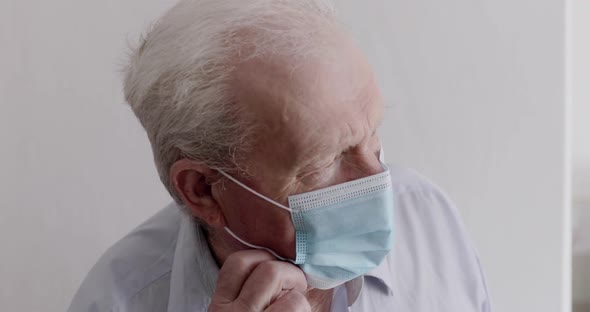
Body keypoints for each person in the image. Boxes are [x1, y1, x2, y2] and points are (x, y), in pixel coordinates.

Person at [68, 0, 492, 311]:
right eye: (325, 160)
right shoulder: (118, 301)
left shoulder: (427, 215)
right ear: (203, 191)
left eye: (373, 136)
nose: (377, 179)